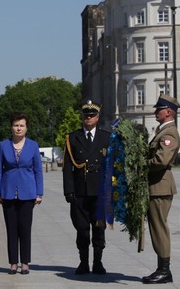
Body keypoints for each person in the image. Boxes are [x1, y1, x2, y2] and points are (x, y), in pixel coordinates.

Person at [63, 100, 112, 275]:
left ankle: (97, 262)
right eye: (86, 115)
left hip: (99, 192)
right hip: (80, 191)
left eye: (92, 115)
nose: (88, 118)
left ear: (97, 118)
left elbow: (113, 165)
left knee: (99, 229)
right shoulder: (72, 138)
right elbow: (67, 167)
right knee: (82, 229)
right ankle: (83, 262)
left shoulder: (106, 137)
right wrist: (68, 191)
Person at [0, 112, 43, 275]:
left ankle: (25, 262)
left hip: (28, 193)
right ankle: (13, 262)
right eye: (16, 125)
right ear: (11, 127)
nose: (18, 128)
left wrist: (39, 192)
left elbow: (38, 171)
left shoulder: (33, 146)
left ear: (26, 128)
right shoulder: (3, 145)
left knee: (25, 229)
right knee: (11, 229)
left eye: (21, 125)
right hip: (8, 192)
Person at [143, 94, 180, 284]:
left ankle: (164, 270)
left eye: (159, 109)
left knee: (159, 229)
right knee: (156, 228)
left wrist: (142, 163)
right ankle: (162, 268)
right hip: (156, 186)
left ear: (168, 112)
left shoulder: (169, 133)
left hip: (160, 186)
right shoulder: (162, 131)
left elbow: (161, 160)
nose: (155, 111)